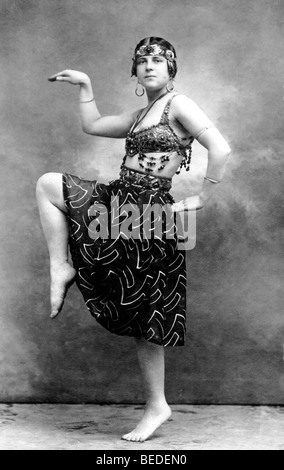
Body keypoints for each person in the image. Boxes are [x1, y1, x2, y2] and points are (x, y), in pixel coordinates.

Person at [36, 36, 231, 442]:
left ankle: (157, 405)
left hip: (151, 215)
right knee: (49, 185)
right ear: (135, 72)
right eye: (142, 60)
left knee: (148, 316)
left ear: (171, 68)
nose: (149, 65)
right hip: (120, 202)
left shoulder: (180, 104)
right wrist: (87, 85)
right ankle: (62, 266)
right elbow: (91, 125)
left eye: (158, 59)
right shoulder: (142, 113)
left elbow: (220, 147)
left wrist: (202, 196)